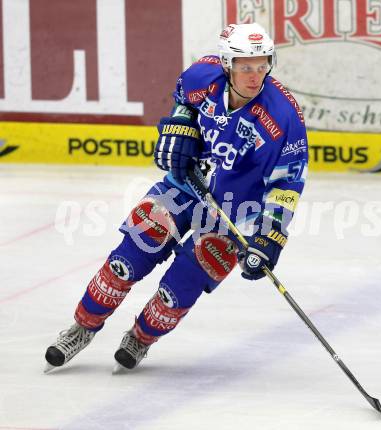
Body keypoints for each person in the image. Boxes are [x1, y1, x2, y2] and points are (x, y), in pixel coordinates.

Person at [44, 22, 308, 372]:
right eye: (245, 66)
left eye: (262, 65)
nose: (254, 75)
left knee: (181, 286)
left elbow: (287, 183)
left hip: (235, 211)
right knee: (129, 256)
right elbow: (184, 99)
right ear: (227, 64)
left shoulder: (284, 117)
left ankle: (140, 338)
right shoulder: (203, 76)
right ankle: (83, 327)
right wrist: (181, 125)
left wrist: (271, 235)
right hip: (184, 186)